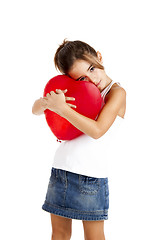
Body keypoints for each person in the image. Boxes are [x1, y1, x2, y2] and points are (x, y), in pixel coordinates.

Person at [32, 39, 126, 240]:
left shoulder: (116, 93)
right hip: (61, 170)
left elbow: (98, 130)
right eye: (82, 78)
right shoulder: (76, 93)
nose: (91, 79)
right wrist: (50, 102)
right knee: (59, 234)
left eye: (92, 68)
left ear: (99, 56)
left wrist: (63, 109)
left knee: (93, 237)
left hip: (91, 177)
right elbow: (35, 110)